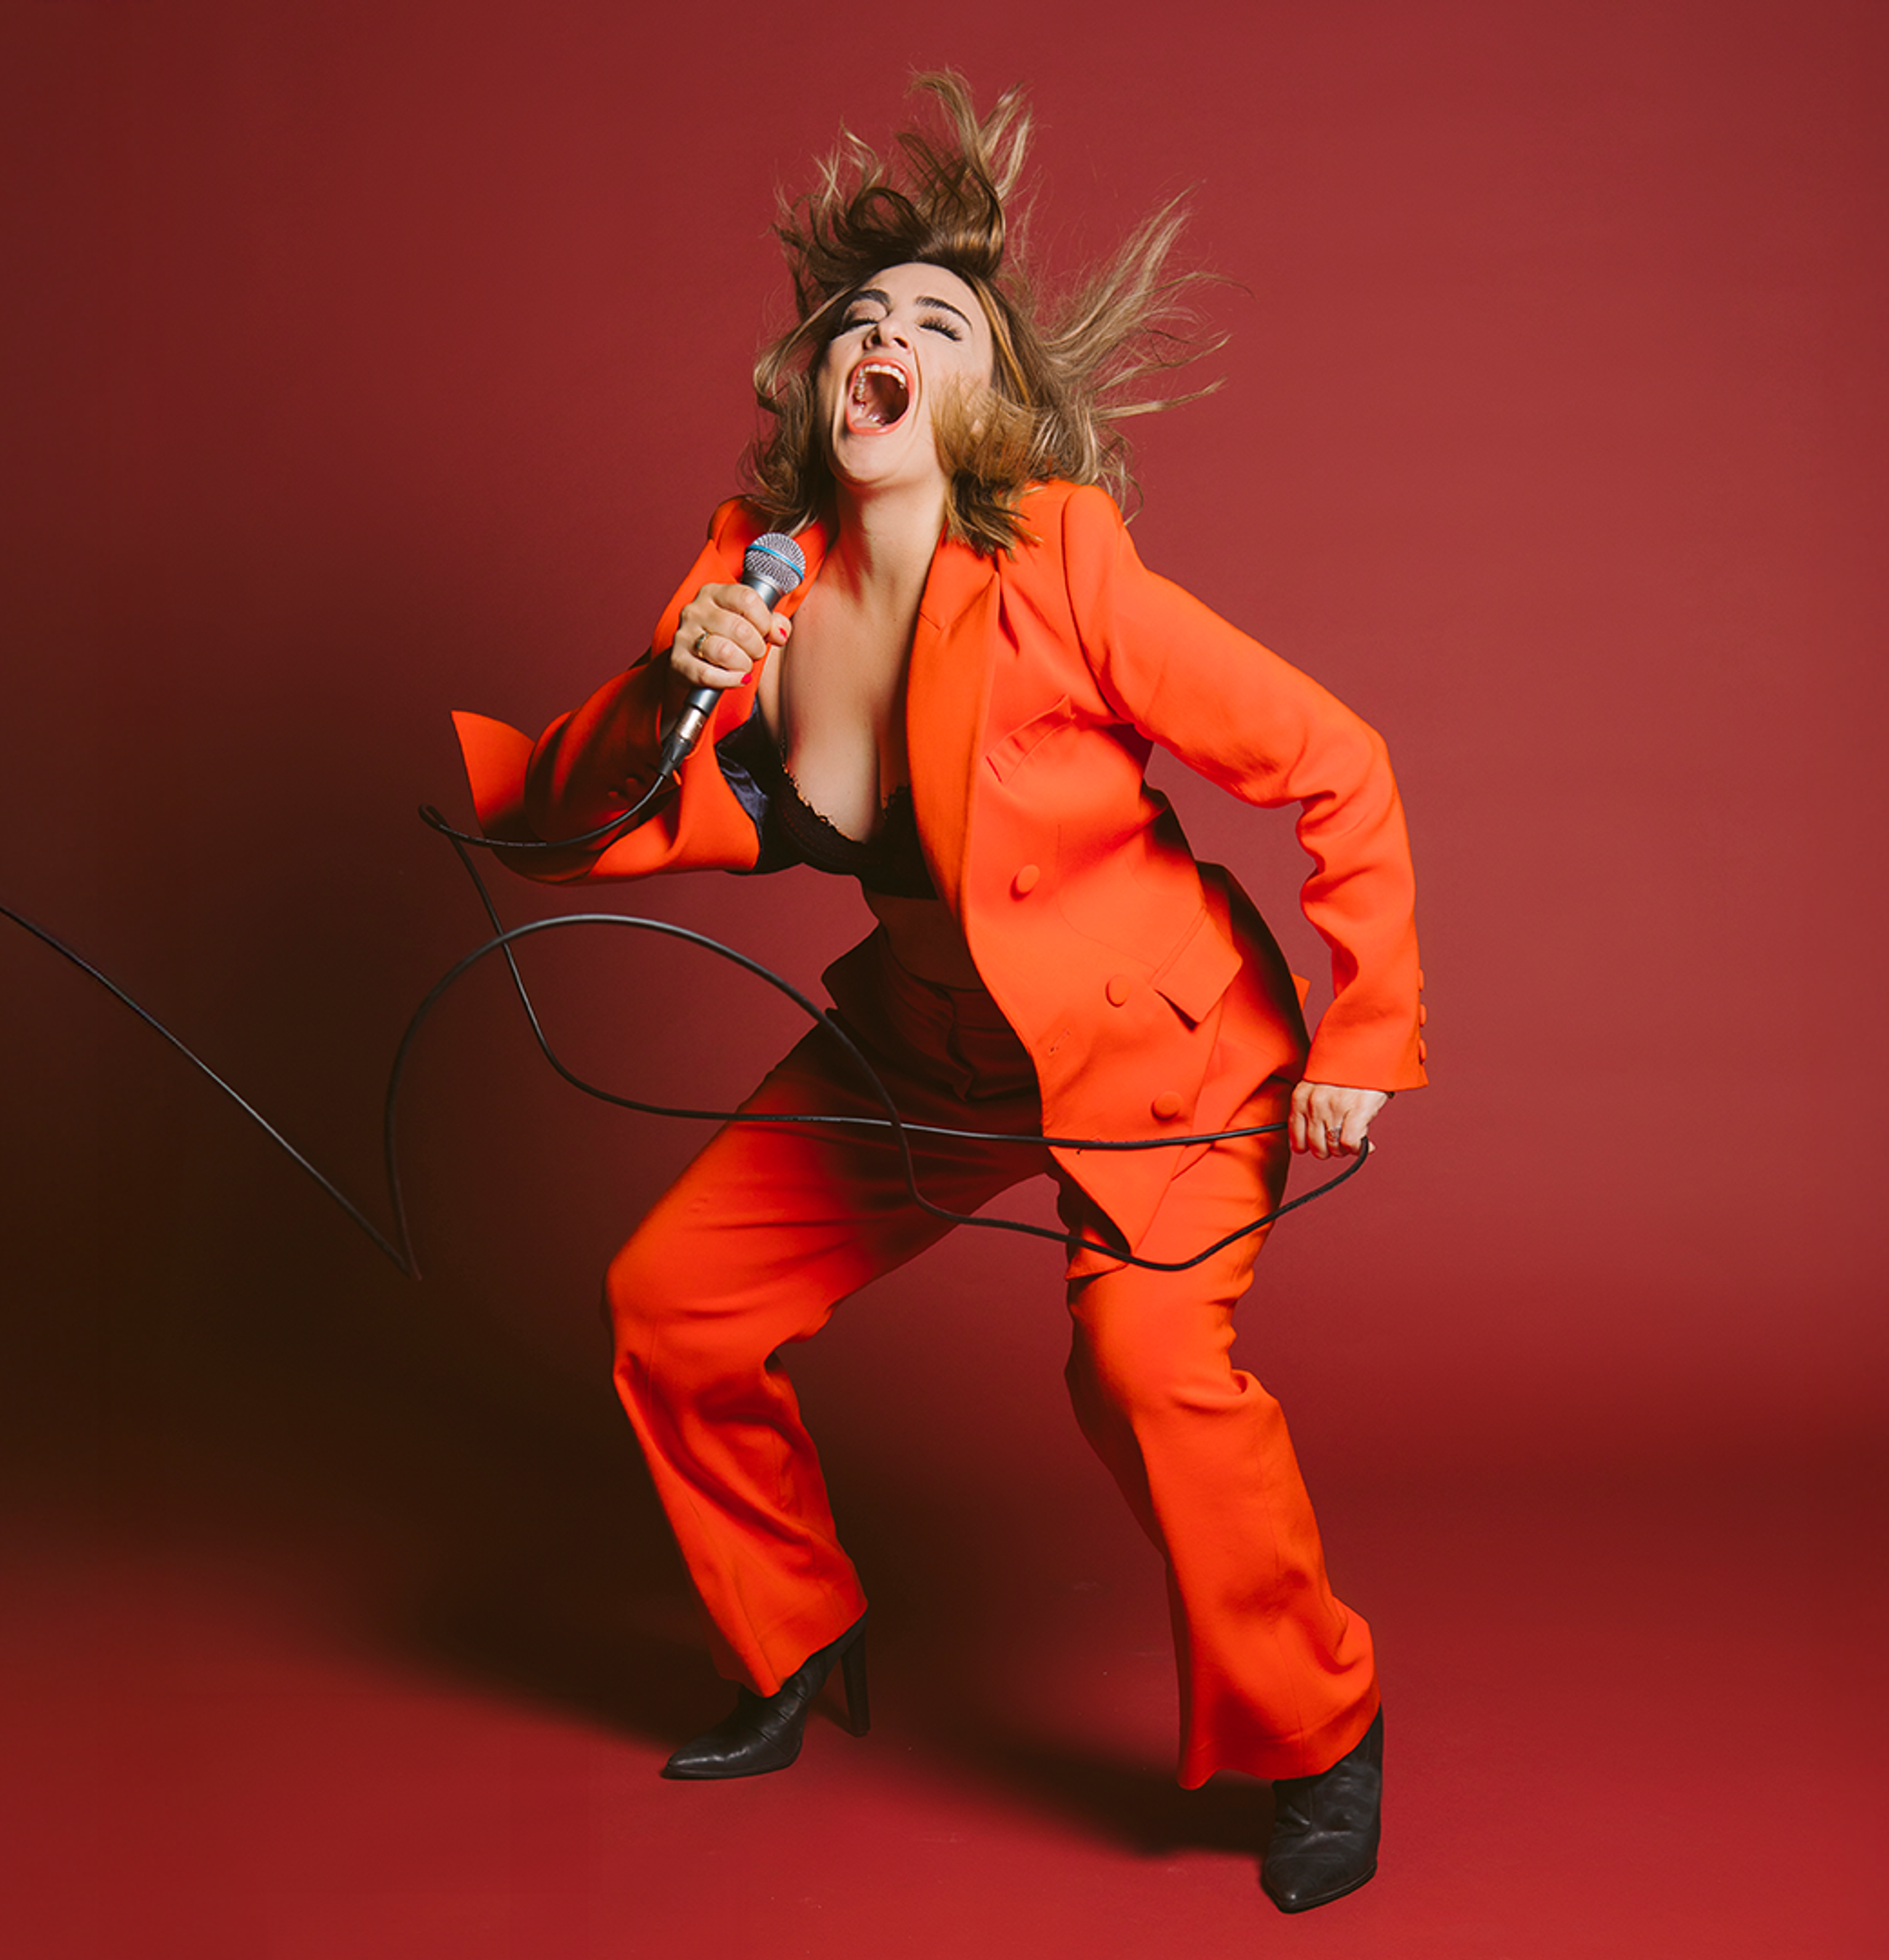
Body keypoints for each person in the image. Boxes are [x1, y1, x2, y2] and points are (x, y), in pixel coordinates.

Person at [451, 76, 1426, 1915]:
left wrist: (1365, 1034)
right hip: (925, 1046)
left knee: (1139, 1369)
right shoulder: (753, 577)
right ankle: (796, 1641)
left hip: (1159, 1049)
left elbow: (1339, 761)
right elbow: (592, 824)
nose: (886, 332)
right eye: (860, 318)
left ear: (983, 401)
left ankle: (1321, 1731)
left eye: (938, 322)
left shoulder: (1058, 558)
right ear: (820, 380)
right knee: (669, 1306)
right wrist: (671, 683)